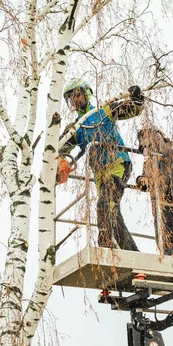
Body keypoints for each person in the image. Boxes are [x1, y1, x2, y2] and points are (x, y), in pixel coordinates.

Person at [59, 78, 144, 252]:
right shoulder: (75, 127)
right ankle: (131, 252)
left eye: (77, 95)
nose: (75, 100)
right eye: (71, 98)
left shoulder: (103, 111)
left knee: (107, 204)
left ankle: (105, 245)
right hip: (99, 172)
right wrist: (58, 160)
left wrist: (137, 99)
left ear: (86, 94)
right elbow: (61, 147)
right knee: (110, 211)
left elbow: (130, 109)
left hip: (118, 163)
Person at [136, 127, 173, 256]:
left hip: (170, 197)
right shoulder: (149, 163)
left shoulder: (170, 152)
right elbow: (146, 182)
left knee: (167, 227)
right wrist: (142, 180)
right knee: (161, 232)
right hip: (158, 202)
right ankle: (170, 254)